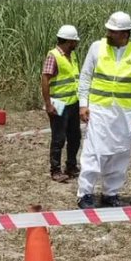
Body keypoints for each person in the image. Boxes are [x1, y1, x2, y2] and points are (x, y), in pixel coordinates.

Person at [76, 11, 131, 209]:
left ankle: (110, 193)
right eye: (109, 30)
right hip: (99, 110)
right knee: (93, 153)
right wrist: (83, 104)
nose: (109, 34)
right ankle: (85, 194)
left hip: (124, 114)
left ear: (125, 33)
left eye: (113, 31)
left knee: (120, 154)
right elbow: (85, 77)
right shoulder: (96, 48)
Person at [41, 24, 82, 182]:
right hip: (58, 103)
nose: (76, 44)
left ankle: (71, 166)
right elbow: (45, 79)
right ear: (69, 41)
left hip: (73, 102)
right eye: (75, 41)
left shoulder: (72, 56)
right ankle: (55, 170)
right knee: (59, 138)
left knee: (75, 136)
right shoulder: (54, 56)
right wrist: (48, 103)